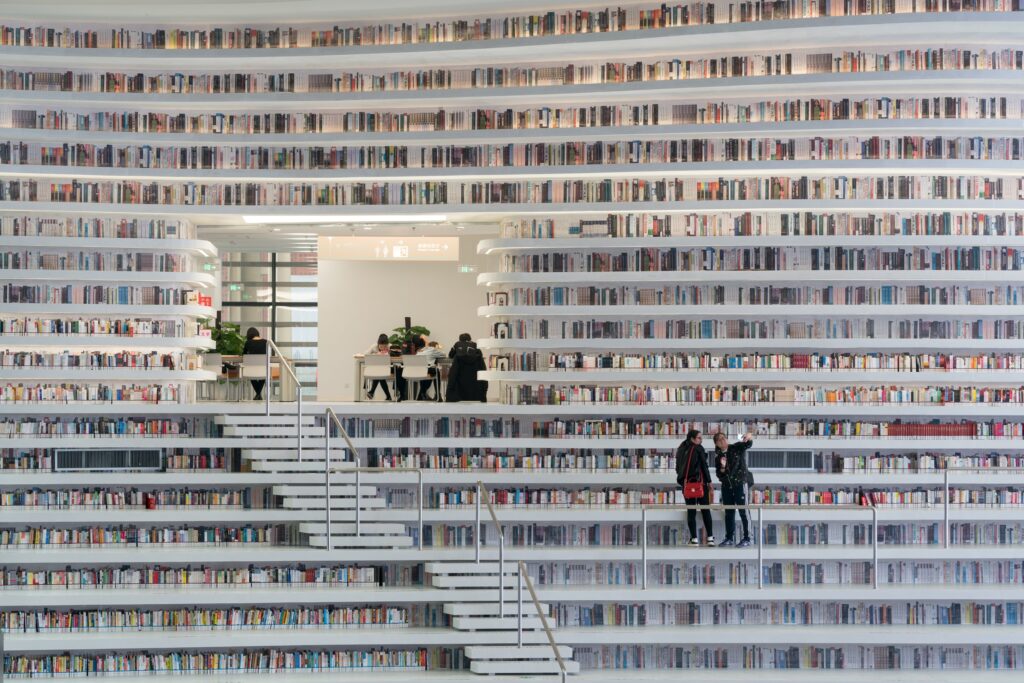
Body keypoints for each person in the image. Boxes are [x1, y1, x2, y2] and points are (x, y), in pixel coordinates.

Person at [713, 431, 754, 547]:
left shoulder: (736, 447)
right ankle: (729, 538)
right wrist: (722, 468)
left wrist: (749, 435)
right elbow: (719, 474)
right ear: (717, 444)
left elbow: (748, 444)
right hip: (727, 487)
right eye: (719, 439)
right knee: (729, 512)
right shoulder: (718, 457)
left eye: (724, 438)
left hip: (740, 484)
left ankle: (748, 538)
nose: (723, 440)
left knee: (744, 511)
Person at [676, 428, 714, 546]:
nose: (701, 440)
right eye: (699, 438)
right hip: (700, 484)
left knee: (691, 511)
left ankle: (694, 539)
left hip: (687, 485)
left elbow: (678, 469)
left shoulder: (680, 449)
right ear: (692, 439)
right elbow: (704, 466)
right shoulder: (698, 448)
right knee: (705, 510)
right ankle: (710, 538)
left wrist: (684, 482)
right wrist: (709, 481)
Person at [445, 333, 487, 402]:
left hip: (460, 373)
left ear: (460, 339)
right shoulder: (475, 345)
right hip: (474, 374)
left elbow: (451, 355)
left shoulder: (457, 344)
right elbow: (480, 356)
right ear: (470, 338)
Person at [413, 335, 445, 400]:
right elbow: (443, 354)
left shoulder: (419, 351)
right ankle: (438, 395)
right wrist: (438, 348)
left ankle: (422, 394)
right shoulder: (432, 349)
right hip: (427, 369)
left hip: (418, 371)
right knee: (436, 371)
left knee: (431, 372)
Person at [364, 333, 393, 401]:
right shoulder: (374, 346)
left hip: (388, 368)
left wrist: (389, 353)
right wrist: (376, 354)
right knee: (380, 375)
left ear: (387, 344)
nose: (383, 348)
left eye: (385, 346)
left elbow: (397, 355)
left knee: (379, 374)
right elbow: (365, 354)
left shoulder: (390, 346)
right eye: (381, 346)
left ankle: (372, 392)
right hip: (377, 369)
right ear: (378, 344)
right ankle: (388, 396)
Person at [243, 327, 268, 400]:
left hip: (252, 369)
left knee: (250, 373)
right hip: (263, 369)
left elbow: (244, 355)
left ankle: (258, 394)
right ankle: (258, 394)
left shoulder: (248, 343)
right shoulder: (266, 342)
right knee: (264, 373)